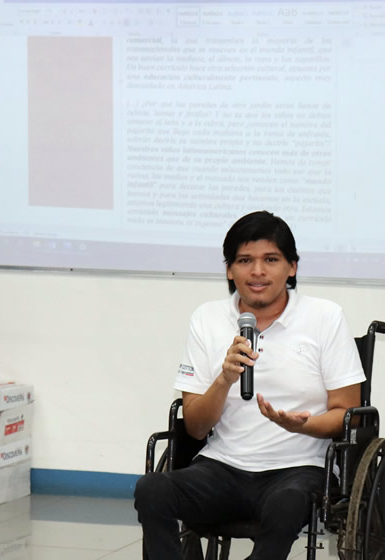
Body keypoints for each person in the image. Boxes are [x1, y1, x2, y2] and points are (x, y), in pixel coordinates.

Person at [134, 210, 366, 560]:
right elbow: (195, 427)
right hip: (222, 466)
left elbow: (350, 415)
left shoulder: (324, 317)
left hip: (298, 469)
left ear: (292, 267)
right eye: (245, 260)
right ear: (229, 269)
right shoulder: (207, 318)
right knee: (152, 489)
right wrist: (224, 380)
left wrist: (301, 424)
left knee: (286, 504)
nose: (257, 271)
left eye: (270, 259)